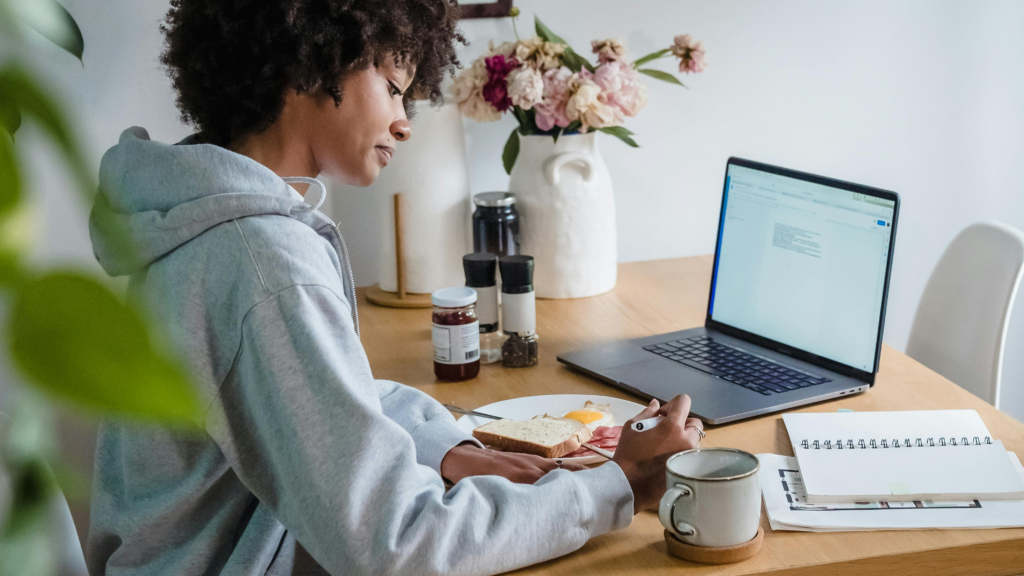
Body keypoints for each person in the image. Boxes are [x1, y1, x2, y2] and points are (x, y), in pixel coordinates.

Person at [85, 1, 704, 575]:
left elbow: (314, 393)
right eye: (393, 88)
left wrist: (448, 450)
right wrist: (614, 483)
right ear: (315, 62)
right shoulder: (265, 264)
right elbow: (398, 546)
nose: (404, 124)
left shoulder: (201, 214)